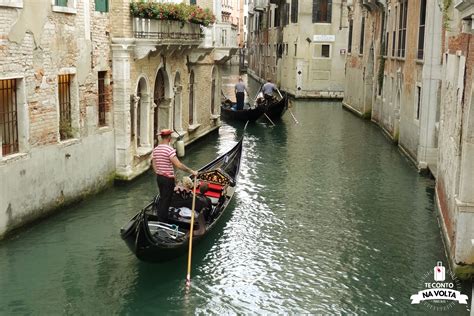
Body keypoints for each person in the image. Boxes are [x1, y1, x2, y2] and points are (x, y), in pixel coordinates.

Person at [152, 129, 198, 221]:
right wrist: (192, 171)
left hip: (159, 178)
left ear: (162, 137)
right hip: (167, 179)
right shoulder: (169, 150)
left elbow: (153, 163)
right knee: (166, 200)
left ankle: (161, 217)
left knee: (162, 197)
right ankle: (162, 221)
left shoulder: (156, 149)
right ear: (169, 137)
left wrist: (158, 172)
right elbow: (178, 165)